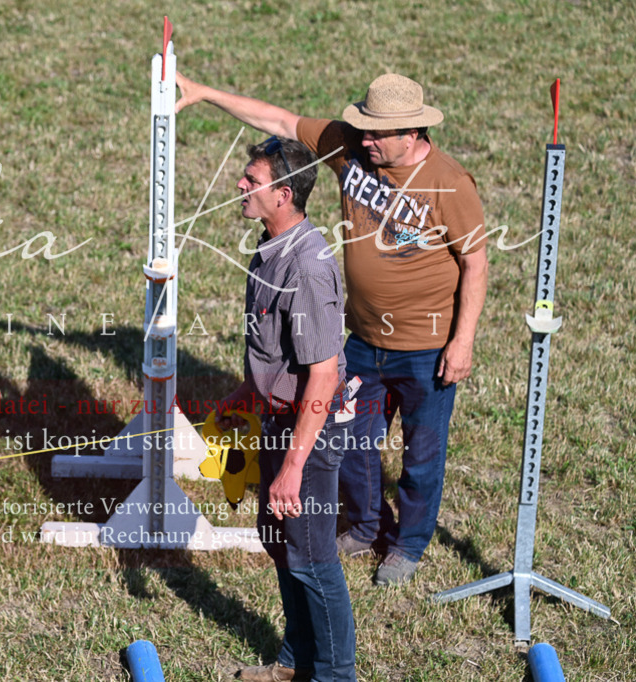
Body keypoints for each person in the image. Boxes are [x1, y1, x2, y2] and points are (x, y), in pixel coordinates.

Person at [177, 72, 488, 587]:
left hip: (426, 346)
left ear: (411, 133)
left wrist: (463, 340)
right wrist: (205, 93)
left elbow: (475, 263)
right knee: (346, 441)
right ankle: (367, 527)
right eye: (363, 128)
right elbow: (278, 120)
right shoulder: (349, 147)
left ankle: (407, 546)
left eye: (376, 134)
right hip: (363, 339)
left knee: (422, 452)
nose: (364, 139)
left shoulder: (450, 184)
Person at [215, 137, 355, 682]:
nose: (241, 186)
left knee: (313, 558)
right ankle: (295, 662)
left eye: (252, 180)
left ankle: (335, 675)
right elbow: (280, 352)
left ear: (285, 194)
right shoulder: (269, 248)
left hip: (309, 430)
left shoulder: (308, 267)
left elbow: (322, 374)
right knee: (280, 542)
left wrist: (294, 468)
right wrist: (246, 395)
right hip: (277, 418)